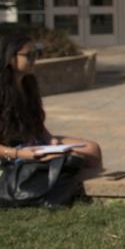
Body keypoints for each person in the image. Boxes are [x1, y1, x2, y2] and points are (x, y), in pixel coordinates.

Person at [0, 33, 102, 168]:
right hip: (10, 153)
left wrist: (49, 139)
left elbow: (36, 123)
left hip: (31, 142)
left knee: (92, 149)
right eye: (28, 55)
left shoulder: (28, 84)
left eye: (36, 54)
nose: (34, 59)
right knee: (66, 160)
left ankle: (78, 188)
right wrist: (18, 153)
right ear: (11, 58)